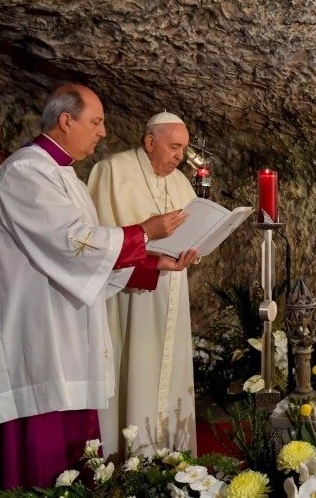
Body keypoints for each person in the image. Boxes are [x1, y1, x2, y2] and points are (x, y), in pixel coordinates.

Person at [0, 84, 198, 490]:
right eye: (96, 121)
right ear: (66, 121)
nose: (103, 132)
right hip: (39, 334)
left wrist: (152, 265)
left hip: (69, 331)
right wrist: (143, 232)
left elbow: (90, 251)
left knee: (77, 455)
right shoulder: (24, 171)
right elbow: (72, 243)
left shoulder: (63, 173)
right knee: (43, 458)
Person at [88, 112, 199, 459]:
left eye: (183, 148)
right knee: (134, 373)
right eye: (174, 147)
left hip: (173, 296)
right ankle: (128, 461)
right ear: (150, 142)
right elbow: (97, 245)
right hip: (129, 297)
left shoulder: (182, 182)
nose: (180, 156)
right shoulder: (111, 172)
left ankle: (173, 459)